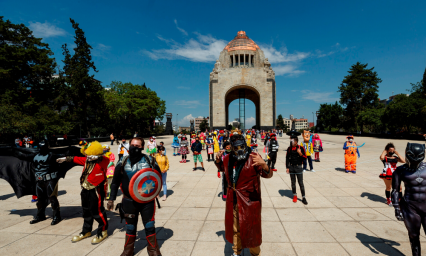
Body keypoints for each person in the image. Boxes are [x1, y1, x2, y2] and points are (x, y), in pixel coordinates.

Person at [215, 134, 272, 256]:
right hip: (233, 199)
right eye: (236, 147)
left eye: (241, 146)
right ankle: (237, 251)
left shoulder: (254, 157)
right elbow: (222, 168)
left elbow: (267, 174)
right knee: (236, 229)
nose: (239, 150)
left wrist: (264, 165)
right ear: (231, 147)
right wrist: (218, 160)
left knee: (252, 230)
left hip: (250, 201)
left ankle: (255, 254)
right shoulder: (228, 158)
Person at [107, 137, 162, 256]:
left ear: (142, 147)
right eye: (132, 145)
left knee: (149, 225)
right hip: (128, 201)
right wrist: (111, 199)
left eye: (137, 146)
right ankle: (128, 250)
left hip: (147, 201)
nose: (134, 148)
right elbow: (115, 182)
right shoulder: (122, 162)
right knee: (130, 226)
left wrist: (154, 191)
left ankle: (153, 249)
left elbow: (158, 178)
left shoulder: (150, 160)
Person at [57, 141, 109, 244]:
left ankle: (103, 231)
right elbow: (76, 159)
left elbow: (106, 160)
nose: (88, 156)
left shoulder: (102, 161)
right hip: (85, 189)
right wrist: (65, 159)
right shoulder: (86, 160)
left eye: (90, 154)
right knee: (86, 211)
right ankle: (86, 231)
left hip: (96, 190)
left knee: (97, 212)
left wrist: (97, 157)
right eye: (87, 154)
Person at [14, 140, 64, 225]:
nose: (42, 150)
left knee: (52, 198)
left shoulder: (52, 155)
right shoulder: (35, 155)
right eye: (40, 148)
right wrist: (13, 151)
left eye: (43, 148)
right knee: (40, 199)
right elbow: (23, 156)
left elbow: (63, 158)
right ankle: (40, 215)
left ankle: (57, 216)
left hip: (50, 180)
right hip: (39, 180)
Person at [392, 143, 426, 256]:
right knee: (414, 236)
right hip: (410, 207)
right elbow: (395, 190)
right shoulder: (400, 171)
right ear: (407, 153)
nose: (415, 159)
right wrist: (397, 208)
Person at [286, 131, 308, 205]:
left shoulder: (301, 148)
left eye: (292, 141)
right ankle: (294, 195)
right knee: (293, 183)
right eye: (290, 141)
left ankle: (303, 197)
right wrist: (287, 167)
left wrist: (300, 153)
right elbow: (287, 158)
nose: (291, 142)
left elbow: (305, 158)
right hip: (291, 167)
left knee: (300, 183)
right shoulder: (289, 148)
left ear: (296, 141)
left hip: (298, 167)